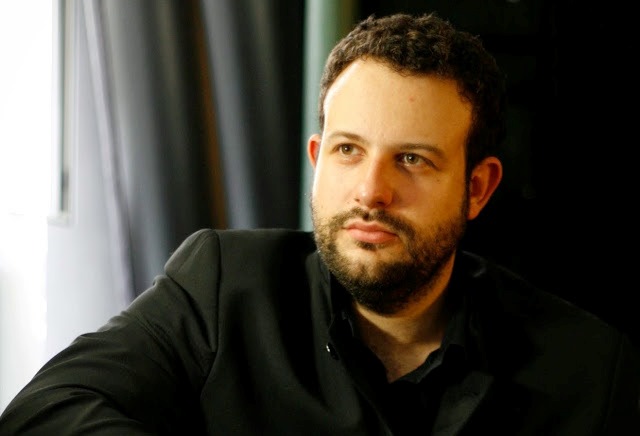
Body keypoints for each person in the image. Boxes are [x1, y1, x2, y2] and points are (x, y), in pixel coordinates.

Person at [1, 12, 638, 436]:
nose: (370, 191)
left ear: (477, 188)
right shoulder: (220, 286)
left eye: (412, 160)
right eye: (348, 150)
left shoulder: (588, 369)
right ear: (317, 159)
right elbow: (44, 413)